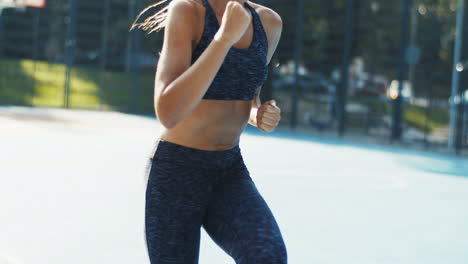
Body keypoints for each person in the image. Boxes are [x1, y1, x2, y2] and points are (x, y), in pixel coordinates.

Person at [132, 0, 286, 262]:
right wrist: (223, 38)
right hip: (176, 172)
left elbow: (249, 96)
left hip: (228, 171)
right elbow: (168, 112)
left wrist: (258, 114)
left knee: (267, 256)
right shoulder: (188, 11)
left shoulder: (268, 22)